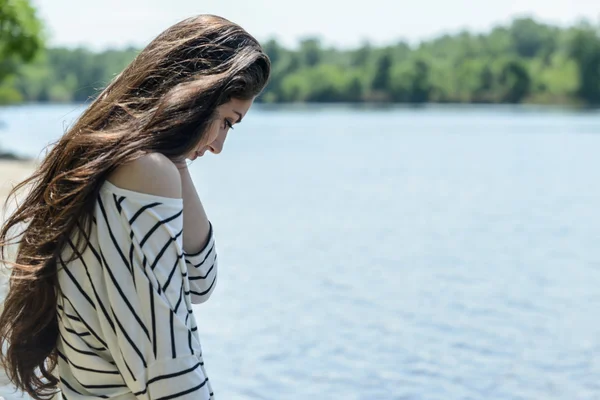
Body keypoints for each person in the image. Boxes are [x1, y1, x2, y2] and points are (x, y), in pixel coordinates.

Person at [0, 14, 270, 400]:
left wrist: (177, 152)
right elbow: (173, 374)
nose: (218, 146)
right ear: (197, 97)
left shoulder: (110, 164)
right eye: (227, 121)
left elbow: (201, 279)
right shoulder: (145, 174)